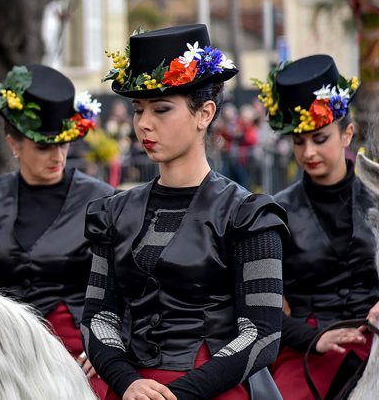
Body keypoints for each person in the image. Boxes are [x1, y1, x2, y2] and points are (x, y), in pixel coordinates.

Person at [82, 24, 288, 400]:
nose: (144, 123)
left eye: (161, 109)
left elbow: (262, 333)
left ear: (204, 113)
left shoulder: (249, 215)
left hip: (215, 389)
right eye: (138, 109)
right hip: (132, 390)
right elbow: (99, 316)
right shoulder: (111, 212)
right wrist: (126, 381)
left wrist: (184, 392)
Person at [0, 64, 113, 393]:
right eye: (44, 147)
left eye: (63, 144)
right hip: (5, 353)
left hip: (83, 354)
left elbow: (133, 286)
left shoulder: (103, 202)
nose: (58, 157)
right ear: (14, 143)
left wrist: (112, 343)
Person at [253, 54, 378, 400]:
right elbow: (260, 307)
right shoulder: (274, 211)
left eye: (319, 138)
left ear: (347, 134)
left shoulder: (378, 197)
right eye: (298, 141)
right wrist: (314, 339)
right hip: (309, 348)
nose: (308, 152)